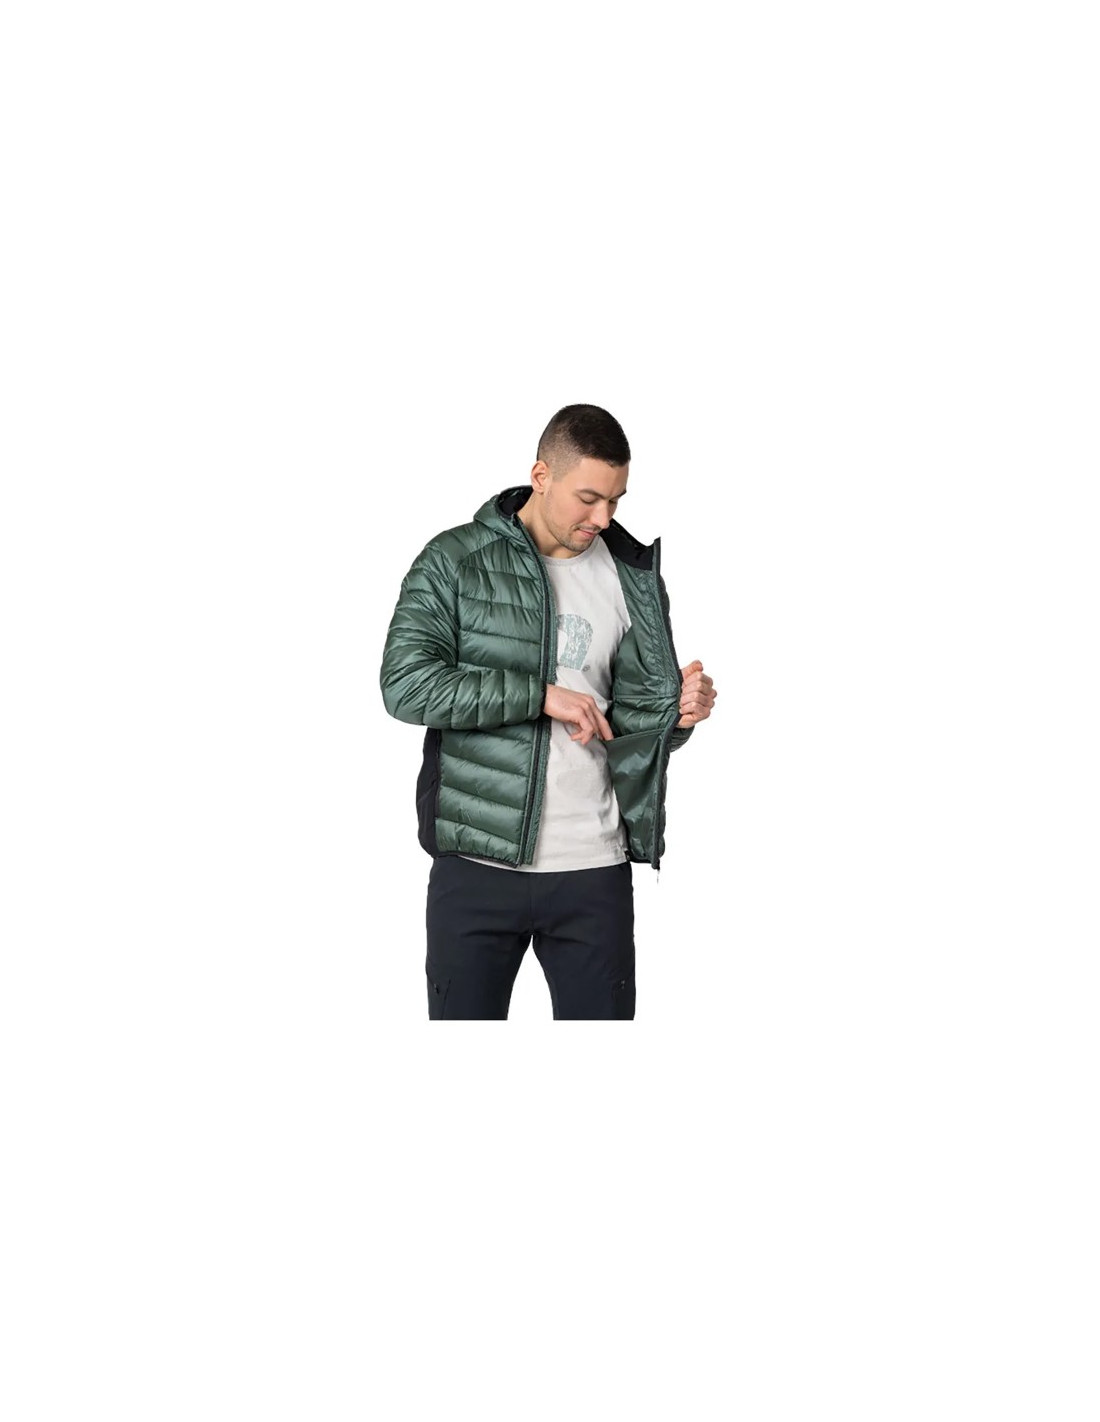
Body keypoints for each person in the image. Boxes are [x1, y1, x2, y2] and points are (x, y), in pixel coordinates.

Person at [380, 404, 717, 1020]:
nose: (604, 518)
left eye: (615, 500)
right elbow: (405, 685)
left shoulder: (631, 575)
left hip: (595, 867)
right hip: (476, 865)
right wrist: (540, 695)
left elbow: (632, 727)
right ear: (541, 476)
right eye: (588, 498)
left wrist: (675, 717)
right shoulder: (454, 559)